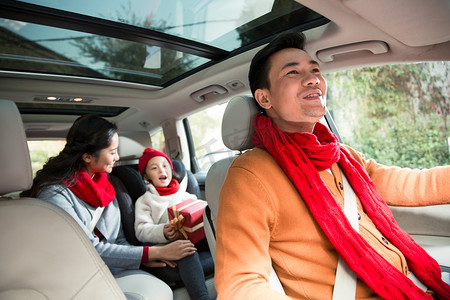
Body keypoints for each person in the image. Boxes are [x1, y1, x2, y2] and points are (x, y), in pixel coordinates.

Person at [214, 31, 450, 300]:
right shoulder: (249, 175)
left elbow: (413, 184)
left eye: (315, 70)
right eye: (292, 73)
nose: (313, 78)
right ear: (265, 99)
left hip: (412, 287)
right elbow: (240, 285)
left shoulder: (342, 156)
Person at [25, 115, 197, 300]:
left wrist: (143, 259)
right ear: (88, 157)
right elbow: (87, 250)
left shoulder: (107, 185)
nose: (118, 157)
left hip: (110, 267)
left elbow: (118, 240)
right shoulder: (55, 194)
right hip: (74, 272)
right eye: (112, 151)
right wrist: (155, 252)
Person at [135, 147, 213, 300]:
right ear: (146, 176)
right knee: (185, 250)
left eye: (165, 166)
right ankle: (202, 297)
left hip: (194, 238)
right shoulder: (145, 200)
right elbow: (141, 230)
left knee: (217, 235)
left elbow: (198, 209)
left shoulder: (183, 194)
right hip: (168, 246)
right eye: (154, 168)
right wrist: (162, 231)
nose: (161, 170)